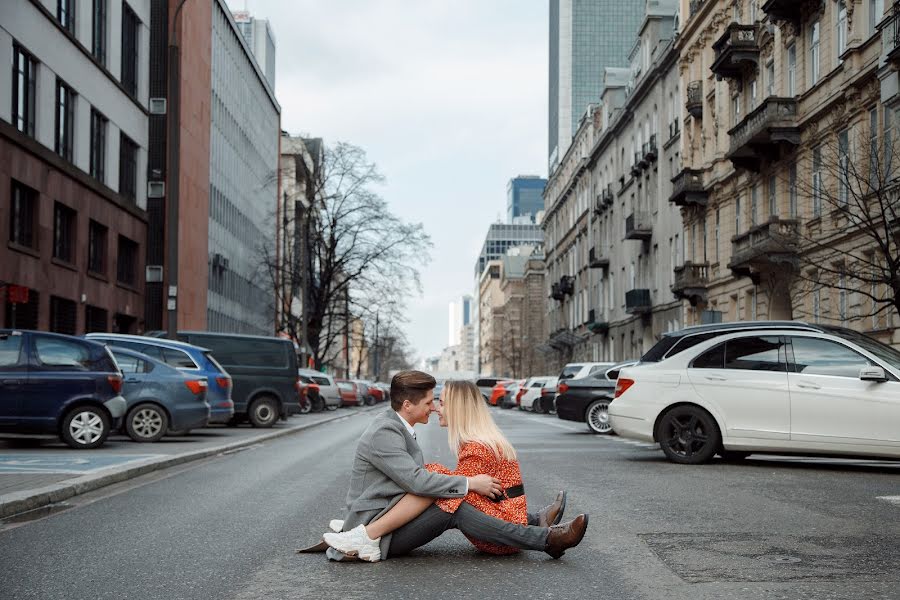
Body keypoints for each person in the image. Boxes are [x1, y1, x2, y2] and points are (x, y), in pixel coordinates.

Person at [319, 370, 588, 562]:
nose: (434, 408)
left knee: (450, 494)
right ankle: (544, 538)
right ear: (407, 405)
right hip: (379, 532)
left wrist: (459, 483)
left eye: (438, 402)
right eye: (429, 402)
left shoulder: (397, 428)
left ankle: (538, 529)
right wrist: (470, 483)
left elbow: (421, 484)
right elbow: (418, 482)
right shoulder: (384, 431)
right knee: (452, 500)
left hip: (387, 521)